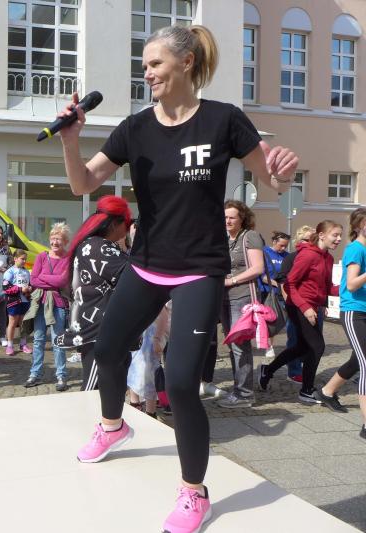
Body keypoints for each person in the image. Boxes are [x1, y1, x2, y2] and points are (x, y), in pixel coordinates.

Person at [58, 23, 298, 531]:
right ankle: (112, 426)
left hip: (199, 270)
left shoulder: (223, 119)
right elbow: (82, 183)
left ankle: (194, 493)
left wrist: (283, 174)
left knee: (184, 382)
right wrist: (71, 141)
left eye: (155, 64)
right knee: (107, 347)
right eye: (144, 65)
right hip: (147, 264)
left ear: (186, 63)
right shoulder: (135, 128)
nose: (147, 73)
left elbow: (271, 180)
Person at [259, 220, 342, 404]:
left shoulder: (328, 258)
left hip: (313, 307)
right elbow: (289, 284)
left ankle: (268, 370)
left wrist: (349, 287)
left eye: (340, 236)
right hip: (298, 306)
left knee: (302, 347)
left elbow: (327, 287)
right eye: (335, 235)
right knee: (317, 346)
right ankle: (306, 390)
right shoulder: (307, 255)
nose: (339, 239)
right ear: (322, 235)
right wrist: (305, 308)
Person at [54, 195, 132, 391]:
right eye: (126, 223)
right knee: (93, 389)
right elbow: (132, 276)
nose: (128, 228)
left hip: (100, 326)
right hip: (99, 328)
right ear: (114, 224)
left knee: (110, 387)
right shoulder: (98, 247)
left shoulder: (93, 245)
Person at [314, 209, 366, 429]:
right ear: (359, 226)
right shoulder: (356, 249)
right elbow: (352, 284)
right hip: (355, 312)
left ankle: (326, 392)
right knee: (365, 363)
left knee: (357, 360)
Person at [216, 200, 265, 409]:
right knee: (233, 345)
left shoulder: (249, 236)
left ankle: (244, 394)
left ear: (242, 218)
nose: (227, 221)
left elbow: (258, 268)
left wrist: (232, 280)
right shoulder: (224, 239)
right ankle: (239, 390)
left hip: (242, 297)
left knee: (240, 346)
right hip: (224, 297)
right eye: (225, 217)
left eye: (232, 217)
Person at [26, 223, 70, 391]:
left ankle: (61, 376)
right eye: (52, 238)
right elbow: (33, 280)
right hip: (41, 303)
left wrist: (43, 276)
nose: (54, 242)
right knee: (38, 340)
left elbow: (62, 281)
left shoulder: (67, 259)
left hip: (58, 304)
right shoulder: (42, 257)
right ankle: (35, 374)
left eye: (58, 239)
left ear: (65, 241)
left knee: (58, 341)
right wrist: (52, 280)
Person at [274, 225, 314, 384]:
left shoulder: (317, 257)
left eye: (313, 239)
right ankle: (294, 371)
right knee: (295, 339)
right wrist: (289, 302)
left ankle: (308, 372)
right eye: (307, 239)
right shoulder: (291, 258)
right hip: (295, 305)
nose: (310, 242)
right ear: (299, 240)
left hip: (313, 305)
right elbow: (284, 282)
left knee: (313, 342)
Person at [259, 231, 290, 359]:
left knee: (281, 318)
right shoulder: (264, 253)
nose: (283, 248)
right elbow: (262, 275)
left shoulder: (287, 256)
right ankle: (268, 346)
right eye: (281, 245)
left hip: (281, 292)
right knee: (269, 319)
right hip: (267, 292)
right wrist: (276, 284)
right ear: (274, 242)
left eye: (285, 246)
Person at [2, 249, 32, 355]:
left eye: (25, 259)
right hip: (14, 301)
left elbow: (30, 284)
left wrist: (30, 288)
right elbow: (6, 287)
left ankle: (23, 344)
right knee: (12, 323)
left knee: (23, 324)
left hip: (25, 301)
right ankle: (10, 345)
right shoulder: (9, 272)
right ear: (15, 259)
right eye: (22, 259)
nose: (24, 261)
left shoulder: (27, 272)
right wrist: (20, 289)